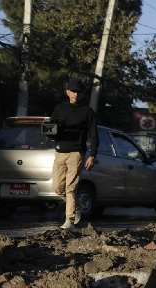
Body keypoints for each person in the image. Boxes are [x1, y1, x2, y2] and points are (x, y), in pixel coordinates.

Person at [50, 78, 98, 229]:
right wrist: (51, 133)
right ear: (67, 92)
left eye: (79, 92)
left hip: (77, 153)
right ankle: (77, 206)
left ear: (83, 94)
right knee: (58, 187)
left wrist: (92, 154)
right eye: (73, 91)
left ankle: (69, 221)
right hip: (60, 152)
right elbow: (52, 128)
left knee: (71, 187)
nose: (76, 94)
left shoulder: (87, 111)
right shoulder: (59, 108)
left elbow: (94, 134)